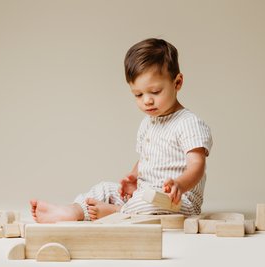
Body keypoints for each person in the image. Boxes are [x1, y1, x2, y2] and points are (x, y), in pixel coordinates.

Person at [30, 38, 213, 223]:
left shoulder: (189, 123)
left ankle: (116, 211)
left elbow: (197, 165)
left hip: (178, 201)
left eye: (155, 92)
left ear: (177, 82)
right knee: (105, 188)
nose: (147, 100)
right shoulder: (147, 124)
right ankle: (74, 210)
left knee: (148, 201)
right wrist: (134, 177)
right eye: (138, 94)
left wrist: (180, 185)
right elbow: (145, 158)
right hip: (145, 193)